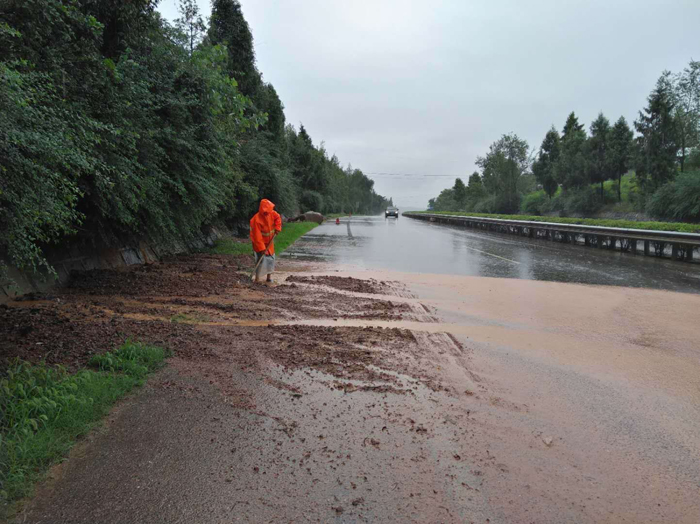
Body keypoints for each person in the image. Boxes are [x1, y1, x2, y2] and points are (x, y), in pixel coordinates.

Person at [250, 199, 282, 284]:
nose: (268, 213)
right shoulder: (256, 220)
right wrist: (262, 248)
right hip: (259, 243)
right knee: (260, 259)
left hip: (270, 242)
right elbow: (257, 236)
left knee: (271, 258)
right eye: (266, 212)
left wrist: (278, 228)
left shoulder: (272, 213)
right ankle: (257, 278)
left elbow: (278, 218)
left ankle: (269, 277)